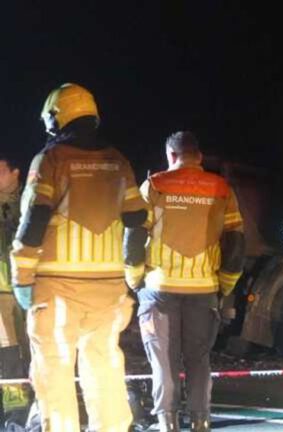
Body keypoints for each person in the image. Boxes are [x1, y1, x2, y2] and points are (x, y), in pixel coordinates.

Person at [11, 83, 144, 431]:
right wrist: (133, 273)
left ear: (57, 117)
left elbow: (35, 219)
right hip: (108, 293)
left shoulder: (52, 159)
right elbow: (137, 222)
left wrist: (21, 278)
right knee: (104, 371)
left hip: (57, 292)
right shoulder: (119, 162)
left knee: (54, 375)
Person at [126, 131, 245, 432]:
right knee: (198, 360)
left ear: (170, 155)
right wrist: (226, 285)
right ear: (199, 157)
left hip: (159, 288)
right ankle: (200, 421)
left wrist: (135, 279)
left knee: (163, 361)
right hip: (204, 290)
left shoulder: (154, 185)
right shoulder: (221, 189)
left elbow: (134, 237)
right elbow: (235, 243)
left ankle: (168, 423)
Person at [0, 154, 31, 428]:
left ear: (15, 172)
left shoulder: (30, 201)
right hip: (1, 294)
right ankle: (16, 414)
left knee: (35, 350)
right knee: (8, 356)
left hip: (30, 288)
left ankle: (40, 407)